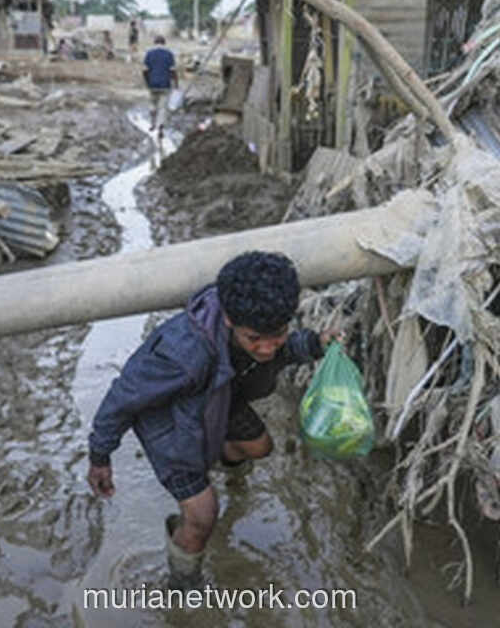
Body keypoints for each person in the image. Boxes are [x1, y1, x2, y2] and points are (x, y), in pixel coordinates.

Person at [87, 251, 338, 589]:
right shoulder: (182, 352)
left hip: (219, 397)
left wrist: (314, 344)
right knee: (204, 514)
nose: (266, 349)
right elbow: (123, 397)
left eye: (277, 333)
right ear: (231, 321)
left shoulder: (258, 329)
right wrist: (100, 455)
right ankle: (182, 586)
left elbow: (277, 349)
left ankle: (224, 471)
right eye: (255, 339)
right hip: (172, 427)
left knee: (260, 447)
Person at [141, 35, 177, 131]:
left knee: (153, 103)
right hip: (165, 84)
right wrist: (176, 83)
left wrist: (147, 82)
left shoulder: (149, 53)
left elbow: (144, 70)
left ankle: (152, 123)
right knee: (162, 107)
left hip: (152, 83)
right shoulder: (169, 54)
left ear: (155, 43)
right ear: (164, 43)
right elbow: (173, 71)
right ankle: (160, 124)